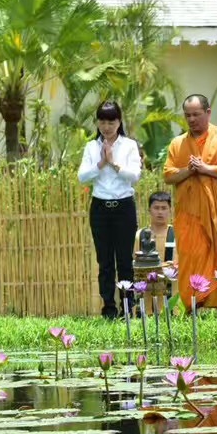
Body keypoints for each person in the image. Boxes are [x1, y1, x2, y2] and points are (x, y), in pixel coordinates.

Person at [163, 94, 217, 309]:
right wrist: (189, 171)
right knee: (191, 258)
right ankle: (193, 307)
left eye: (196, 114)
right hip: (190, 218)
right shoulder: (178, 144)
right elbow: (169, 175)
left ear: (208, 113)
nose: (191, 119)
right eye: (187, 115)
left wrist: (206, 169)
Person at [78, 100, 143, 318]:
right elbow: (82, 176)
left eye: (111, 121)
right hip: (100, 208)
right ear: (97, 123)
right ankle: (108, 307)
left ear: (119, 122)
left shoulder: (129, 145)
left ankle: (128, 307)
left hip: (124, 206)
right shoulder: (91, 147)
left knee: (125, 259)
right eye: (103, 121)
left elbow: (135, 175)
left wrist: (114, 163)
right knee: (104, 260)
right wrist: (101, 164)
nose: (107, 126)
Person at [134, 191, 175, 314]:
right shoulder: (140, 235)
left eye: (164, 208)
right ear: (149, 210)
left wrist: (160, 268)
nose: (160, 212)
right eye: (156, 208)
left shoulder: (176, 234)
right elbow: (135, 261)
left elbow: (180, 263)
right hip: (145, 290)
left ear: (170, 210)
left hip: (170, 291)